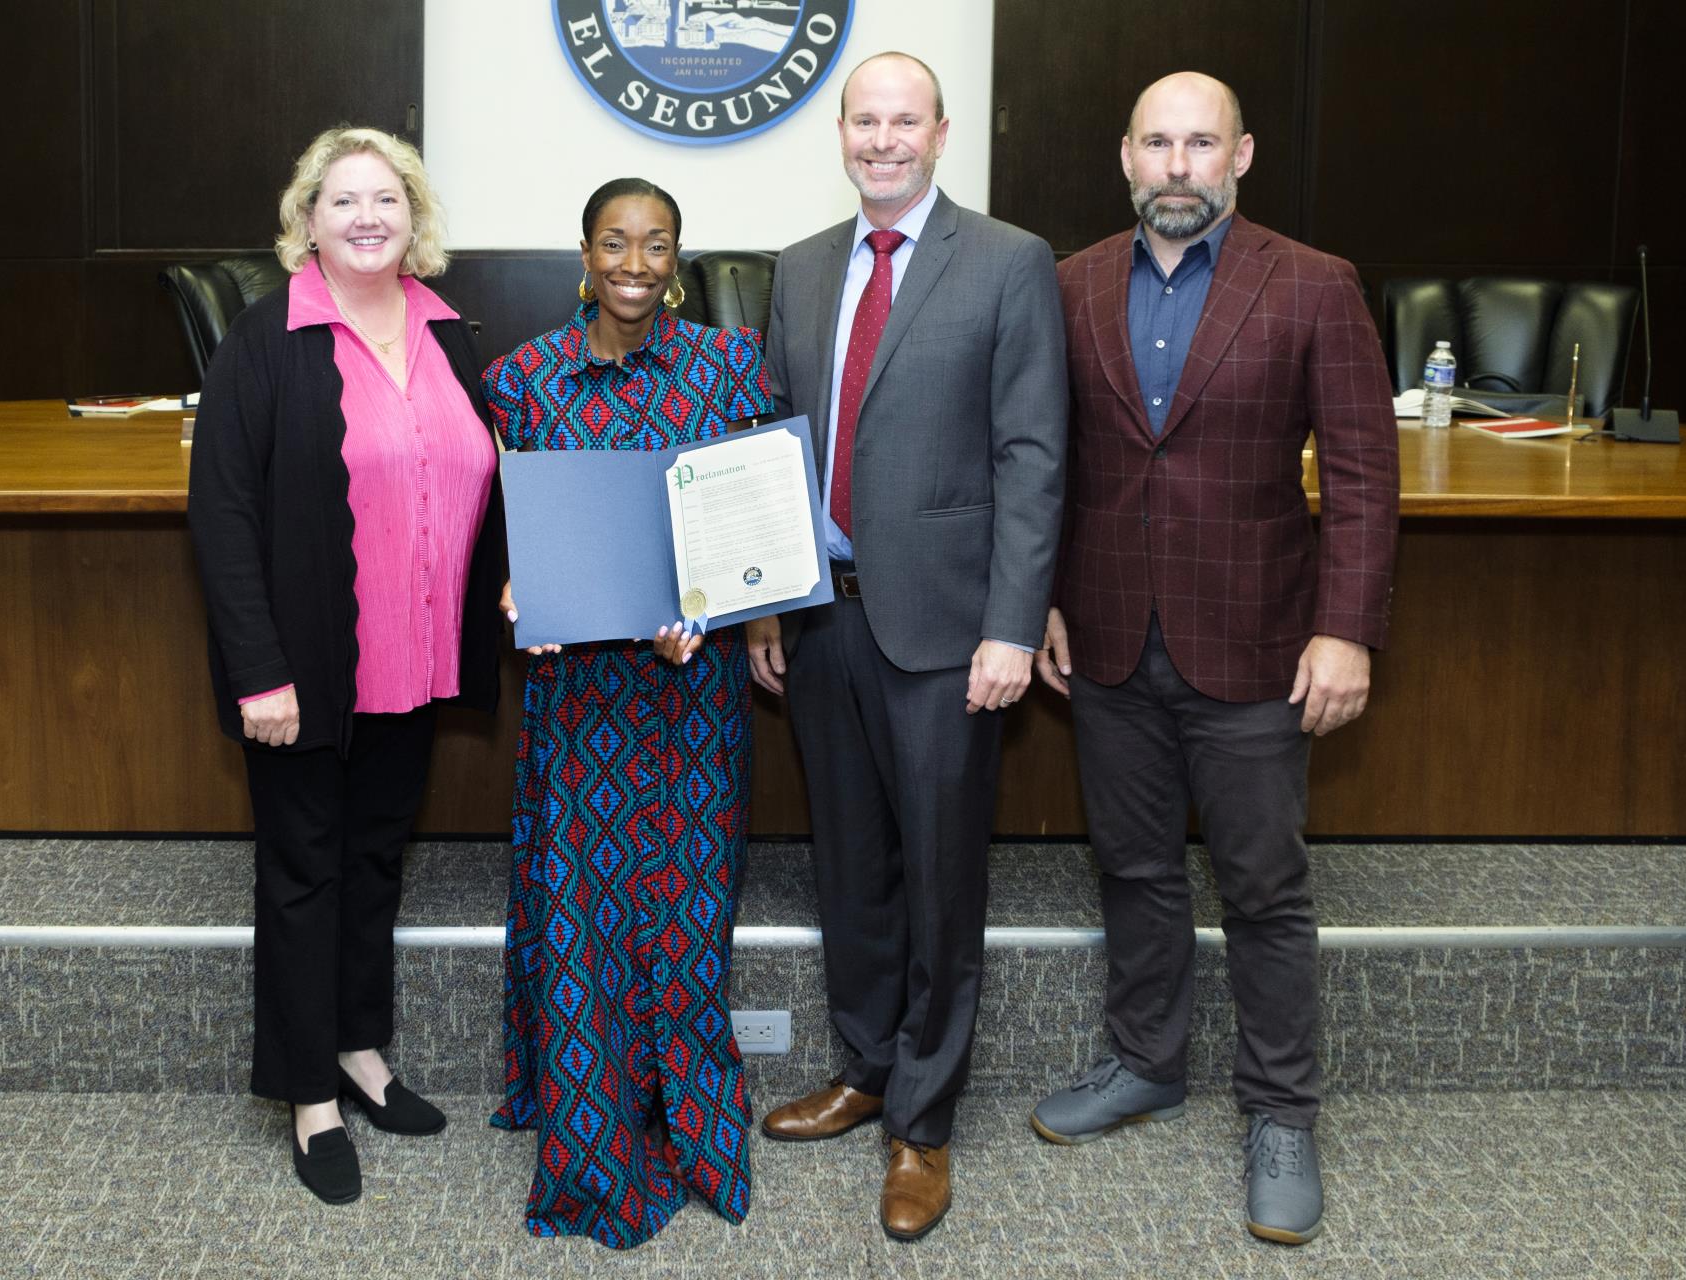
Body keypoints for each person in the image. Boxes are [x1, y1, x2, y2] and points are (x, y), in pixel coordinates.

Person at [1029, 73, 1400, 1246]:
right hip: (1105, 636)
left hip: (1258, 640)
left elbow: (1362, 475)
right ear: (1126, 156)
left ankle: (1282, 1109)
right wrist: (1038, 598)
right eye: (1159, 143)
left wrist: (1347, 628)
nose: (1179, 165)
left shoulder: (1313, 283)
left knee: (1263, 888)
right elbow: (1048, 463)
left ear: (1241, 156)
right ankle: (1146, 1060)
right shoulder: (1071, 282)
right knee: (1133, 869)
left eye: (1202, 143)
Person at [745, 52, 1067, 1242]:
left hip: (947, 629)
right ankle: (866, 1064)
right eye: (864, 121)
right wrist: (767, 602)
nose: (883, 140)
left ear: (941, 133)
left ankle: (922, 1121)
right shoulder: (803, 265)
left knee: (939, 875)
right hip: (822, 614)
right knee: (850, 864)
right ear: (842, 131)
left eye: (904, 121)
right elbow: (779, 442)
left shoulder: (1008, 261)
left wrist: (1011, 623)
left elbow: (1033, 457)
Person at [188, 125, 506, 1205]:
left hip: (415, 659)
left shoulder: (452, 331)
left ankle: (363, 1048)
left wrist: (510, 584)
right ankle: (307, 1092)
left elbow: (483, 479)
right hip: (308, 671)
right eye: (344, 201)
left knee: (376, 859)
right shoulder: (269, 337)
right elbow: (223, 516)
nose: (367, 217)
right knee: (305, 870)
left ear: (413, 218)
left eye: (387, 199)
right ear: (307, 220)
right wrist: (257, 670)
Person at [483, 177, 770, 1250]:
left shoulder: (729, 367)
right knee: (585, 918)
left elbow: (755, 530)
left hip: (692, 694)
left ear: (680, 256)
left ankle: (694, 1130)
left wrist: (712, 603)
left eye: (656, 244)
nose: (635, 264)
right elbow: (510, 533)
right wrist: (522, 590)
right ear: (585, 252)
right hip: (579, 701)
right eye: (615, 242)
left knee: (690, 918)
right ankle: (596, 1137)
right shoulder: (521, 379)